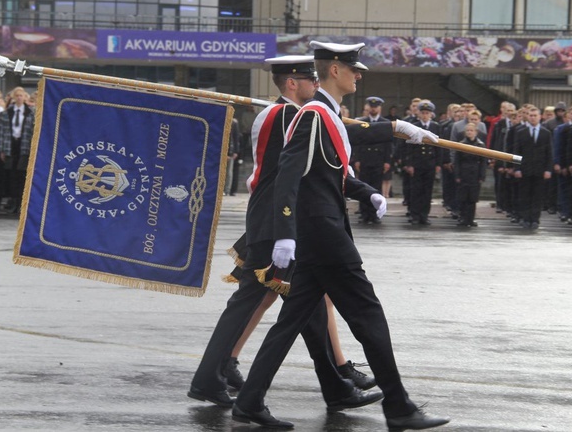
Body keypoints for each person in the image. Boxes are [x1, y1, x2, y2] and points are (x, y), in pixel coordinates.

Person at [233, 41, 449, 431]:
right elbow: (287, 175)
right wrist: (284, 232)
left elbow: (330, 172)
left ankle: (248, 403)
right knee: (369, 317)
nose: (359, 75)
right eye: (353, 68)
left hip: (317, 238)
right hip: (324, 237)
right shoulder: (316, 116)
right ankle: (399, 408)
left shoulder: (326, 115)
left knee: (289, 324)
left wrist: (367, 190)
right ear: (334, 70)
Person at [189, 55, 383, 414]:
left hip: (278, 222)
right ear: (292, 83)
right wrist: (394, 129)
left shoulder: (290, 114)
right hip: (276, 224)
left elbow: (337, 134)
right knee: (249, 304)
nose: (315, 87)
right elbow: (337, 135)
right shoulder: (286, 115)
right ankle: (209, 378)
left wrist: (396, 130)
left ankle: (335, 383)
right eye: (310, 81)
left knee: (304, 304)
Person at [353, 96, 392, 223]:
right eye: (372, 106)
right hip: (365, 159)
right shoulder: (362, 122)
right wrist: (357, 159)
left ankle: (375, 214)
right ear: (368, 107)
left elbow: (388, 144)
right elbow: (358, 142)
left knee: (376, 187)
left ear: (380, 108)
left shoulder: (384, 122)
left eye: (376, 107)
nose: (373, 109)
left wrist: (387, 161)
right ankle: (364, 213)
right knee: (363, 186)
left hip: (378, 160)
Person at [513, 107, 552, 230]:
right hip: (525, 169)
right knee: (524, 195)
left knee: (537, 196)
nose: (533, 117)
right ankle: (525, 218)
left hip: (540, 169)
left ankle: (535, 219)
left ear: (540, 117)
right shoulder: (521, 132)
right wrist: (517, 168)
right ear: (527, 117)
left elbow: (549, 153)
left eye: (535, 115)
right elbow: (516, 151)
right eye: (530, 115)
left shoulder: (546, 133)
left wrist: (548, 169)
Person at [405, 100, 441, 225]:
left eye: (427, 113)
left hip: (430, 163)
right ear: (419, 114)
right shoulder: (414, 125)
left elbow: (439, 147)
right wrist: (409, 164)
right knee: (416, 190)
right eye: (423, 113)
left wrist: (438, 164)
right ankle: (414, 214)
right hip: (417, 163)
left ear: (431, 114)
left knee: (427, 191)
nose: (425, 115)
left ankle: (424, 215)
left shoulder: (436, 126)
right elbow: (408, 147)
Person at [455, 122, 487, 227]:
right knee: (463, 198)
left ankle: (470, 219)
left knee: (473, 199)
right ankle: (463, 218)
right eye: (467, 130)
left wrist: (482, 176)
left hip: (475, 173)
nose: (469, 132)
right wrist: (457, 175)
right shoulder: (461, 144)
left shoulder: (480, 145)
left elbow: (483, 162)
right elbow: (457, 161)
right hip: (464, 173)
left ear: (476, 132)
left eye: (471, 130)